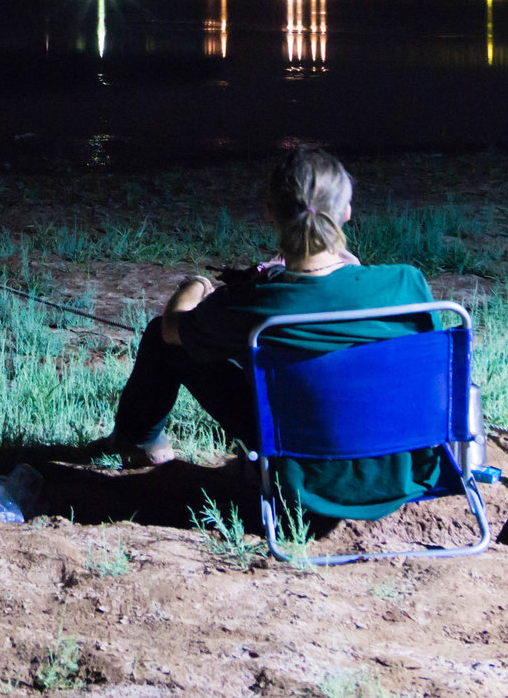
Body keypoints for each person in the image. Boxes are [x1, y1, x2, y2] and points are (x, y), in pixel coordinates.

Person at [97, 145, 443, 521]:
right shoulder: (407, 284)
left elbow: (170, 329)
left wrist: (195, 285)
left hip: (300, 478)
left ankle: (137, 442)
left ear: (271, 215)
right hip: (403, 472)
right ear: (346, 212)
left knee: (166, 339)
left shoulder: (252, 303)